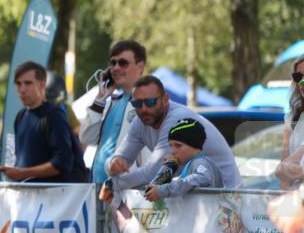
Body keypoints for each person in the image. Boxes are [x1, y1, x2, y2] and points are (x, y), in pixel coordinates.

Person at [102, 75, 240, 198]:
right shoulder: (139, 122)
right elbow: (120, 158)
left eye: (150, 102)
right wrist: (113, 164)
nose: (143, 109)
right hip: (197, 200)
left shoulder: (176, 120)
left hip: (226, 199)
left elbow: (152, 174)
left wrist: (112, 184)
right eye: (137, 104)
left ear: (165, 99)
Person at [0, 61, 82, 183]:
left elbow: (62, 163)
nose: (22, 89)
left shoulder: (54, 116)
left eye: (28, 83)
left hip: (52, 198)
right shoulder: (20, 116)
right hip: (26, 197)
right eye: (18, 84)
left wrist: (22, 173)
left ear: (42, 85)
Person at [80, 41, 148, 185]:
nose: (116, 68)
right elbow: (86, 137)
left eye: (123, 63)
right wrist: (100, 98)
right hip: (98, 188)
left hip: (128, 192)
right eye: (113, 63)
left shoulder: (149, 104)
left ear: (140, 66)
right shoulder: (110, 102)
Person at [144, 119, 223, 201]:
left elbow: (201, 178)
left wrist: (163, 190)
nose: (173, 151)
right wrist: (169, 167)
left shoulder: (200, 162)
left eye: (178, 145)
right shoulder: (190, 164)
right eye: (171, 146)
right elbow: (151, 190)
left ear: (193, 144)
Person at [276, 56, 304, 189]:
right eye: (299, 77)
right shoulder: (292, 117)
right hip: (296, 202)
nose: (302, 82)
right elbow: (282, 172)